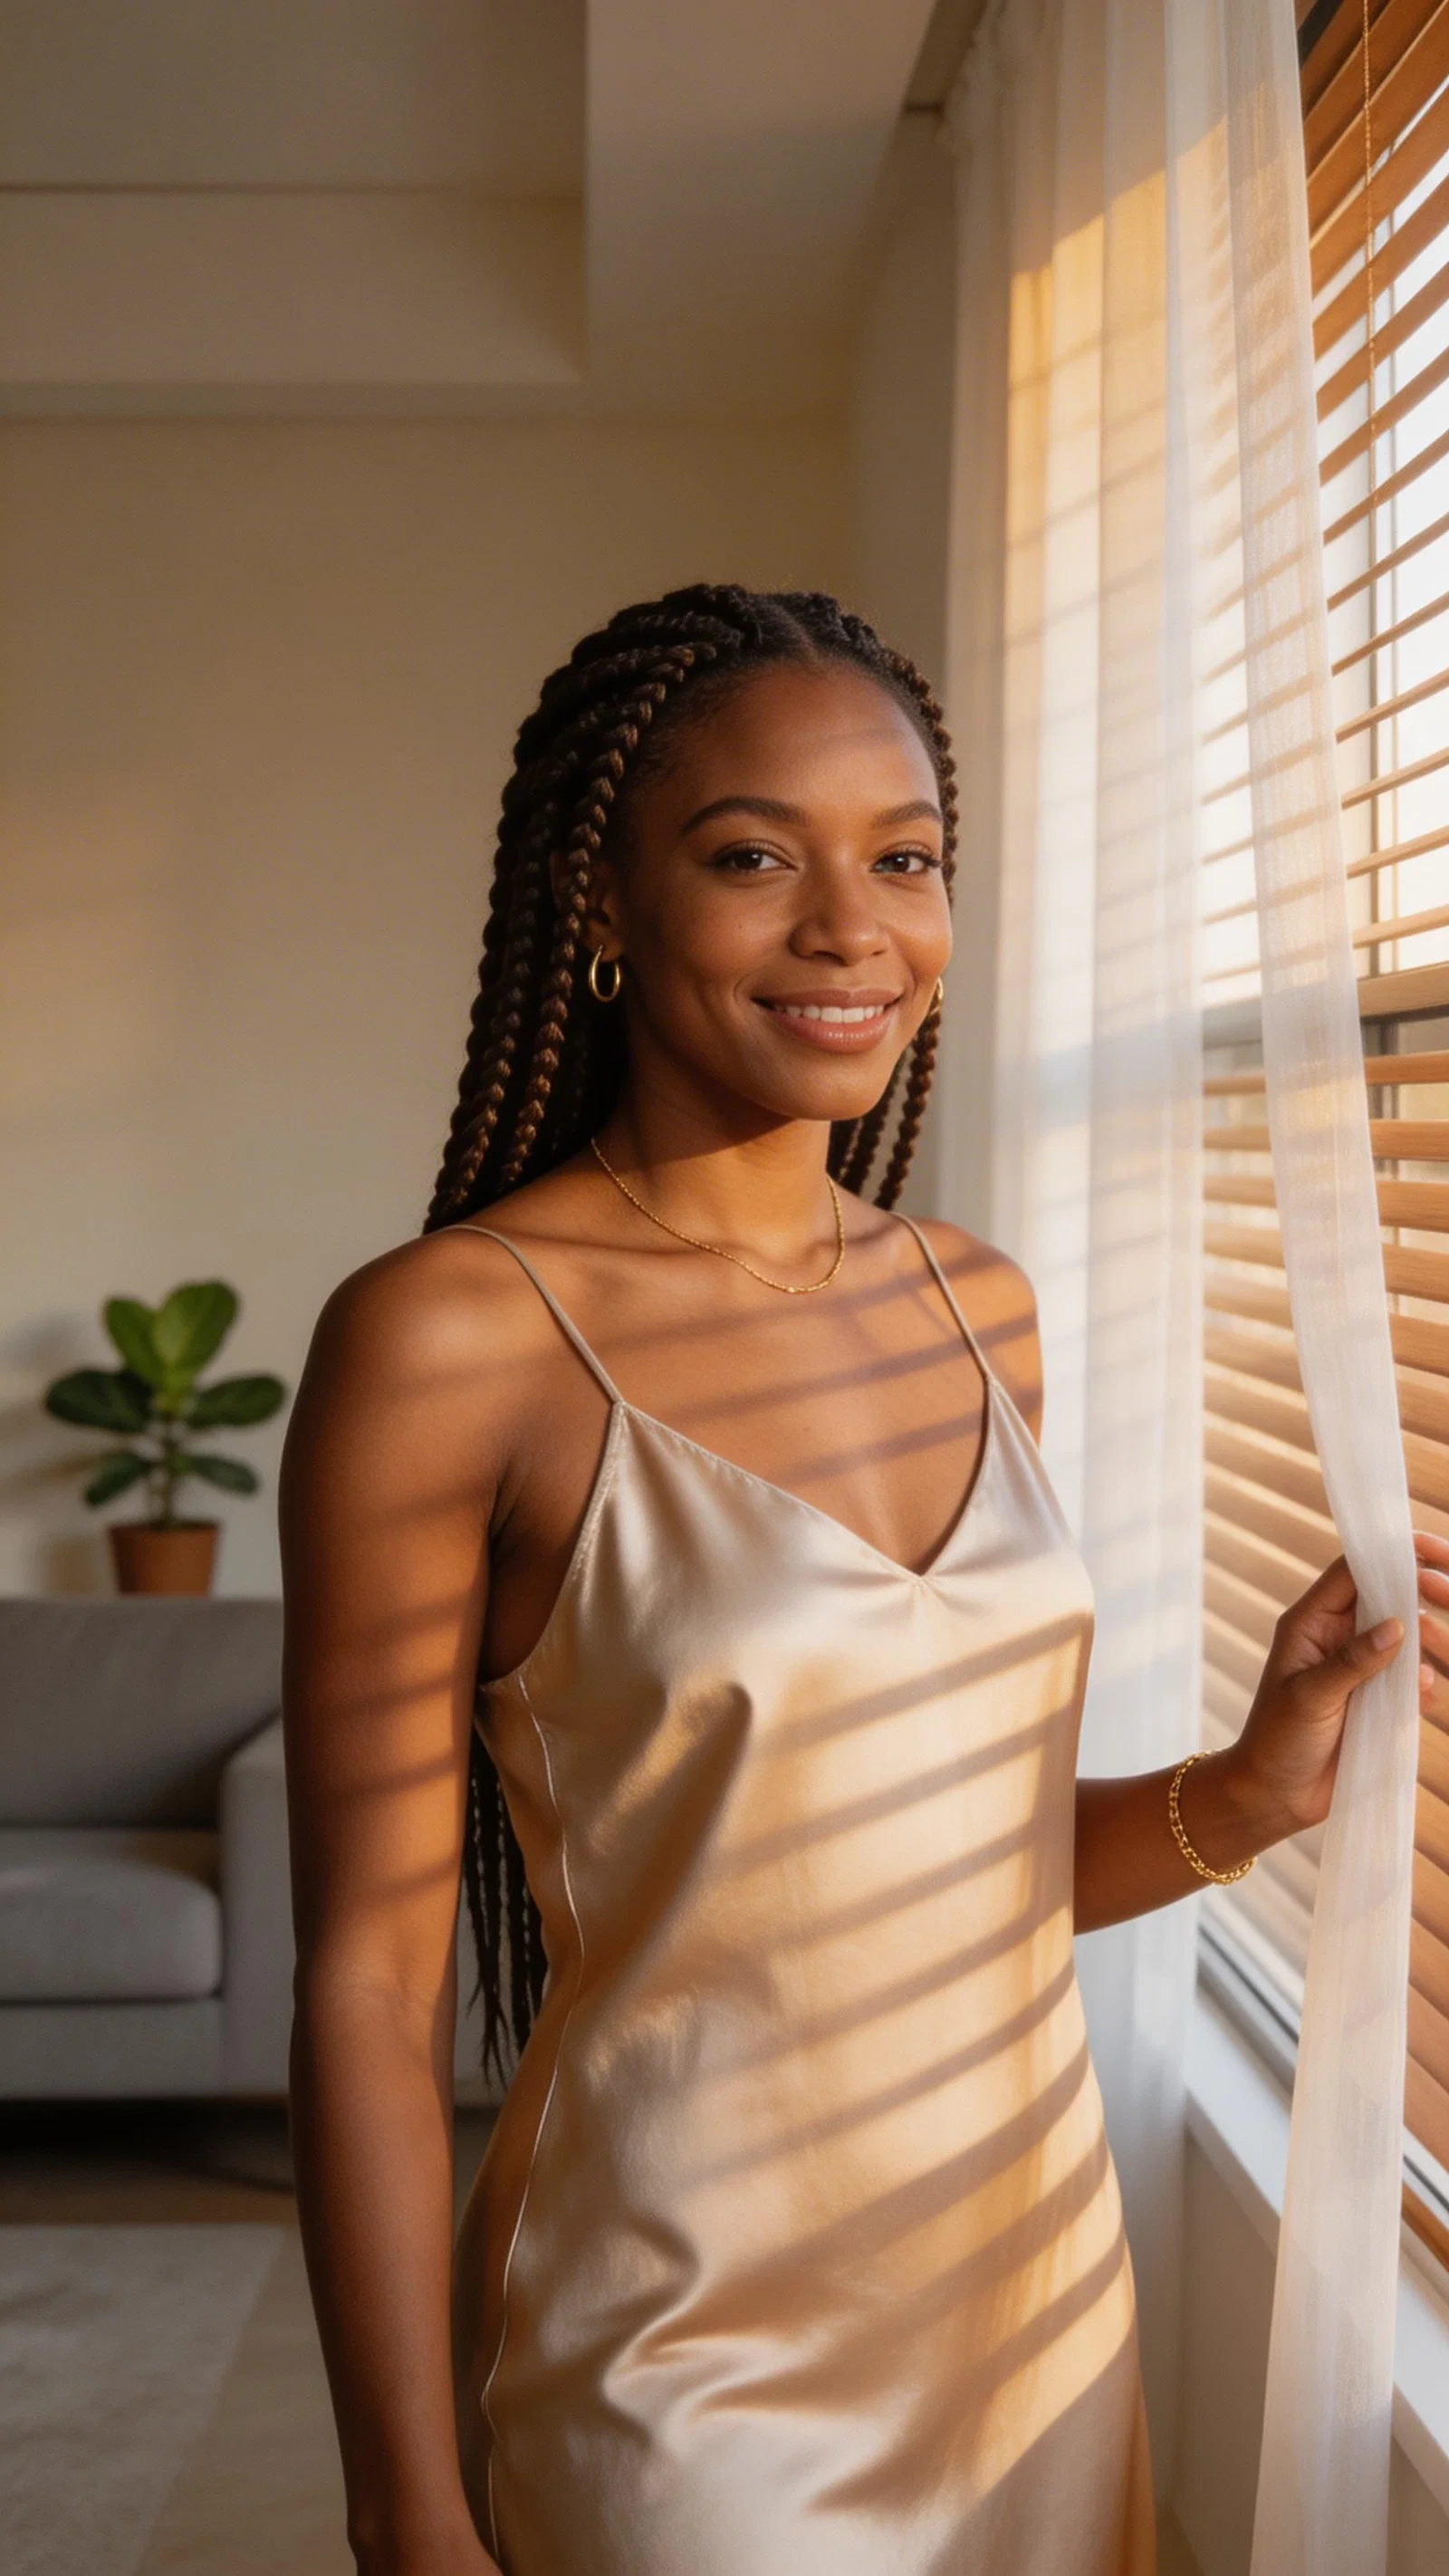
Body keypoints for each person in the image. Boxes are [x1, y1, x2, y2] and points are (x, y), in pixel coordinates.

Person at [279, 585, 1445, 2576]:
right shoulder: (450, 1340)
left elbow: (939, 1884)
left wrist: (1250, 1785)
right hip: (681, 2360)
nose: (852, 929)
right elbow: (372, 1987)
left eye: (903, 860)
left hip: (1030, 2316)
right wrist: (404, 2503)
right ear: (601, 901)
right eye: (752, 858)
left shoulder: (970, 1306)